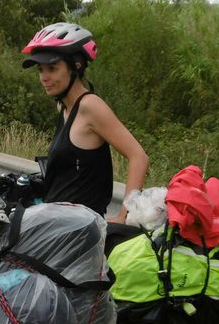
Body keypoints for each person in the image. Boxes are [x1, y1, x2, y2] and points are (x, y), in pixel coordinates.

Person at [21, 22, 149, 223]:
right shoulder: (63, 108)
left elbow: (138, 157)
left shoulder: (90, 106)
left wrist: (125, 216)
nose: (44, 77)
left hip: (80, 233)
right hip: (55, 224)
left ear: (76, 66)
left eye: (52, 68)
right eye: (40, 69)